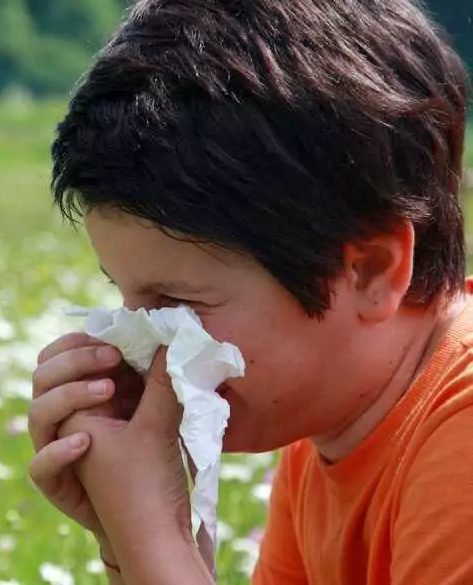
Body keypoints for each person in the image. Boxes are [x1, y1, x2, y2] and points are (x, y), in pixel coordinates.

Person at [27, 0, 472, 583]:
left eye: (178, 304)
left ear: (369, 272)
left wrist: (148, 531)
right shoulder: (332, 423)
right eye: (126, 298)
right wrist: (129, 541)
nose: (142, 348)